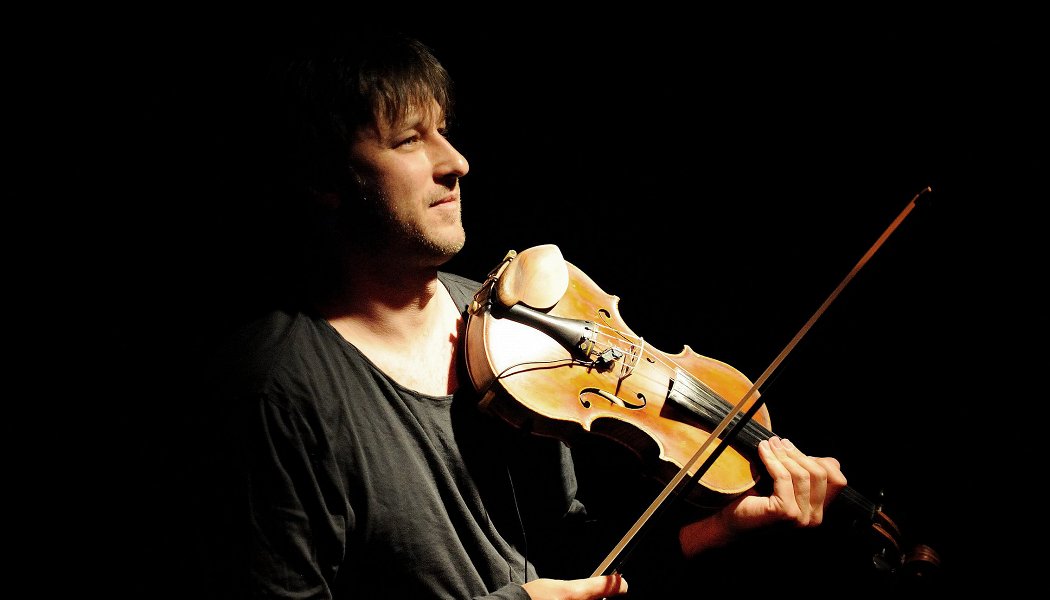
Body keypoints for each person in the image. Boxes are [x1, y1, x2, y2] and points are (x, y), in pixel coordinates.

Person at [192, 29, 848, 599]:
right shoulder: (276, 390)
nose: (456, 163)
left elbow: (568, 558)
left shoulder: (509, 329)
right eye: (409, 140)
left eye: (444, 131)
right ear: (324, 179)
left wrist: (721, 528)